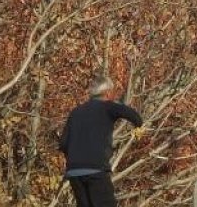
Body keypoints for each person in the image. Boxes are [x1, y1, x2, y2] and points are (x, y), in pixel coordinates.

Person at [59, 74, 144, 207]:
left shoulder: (75, 112)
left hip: (74, 172)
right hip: (95, 170)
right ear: (108, 93)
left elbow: (63, 144)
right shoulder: (108, 106)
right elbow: (135, 117)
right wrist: (138, 128)